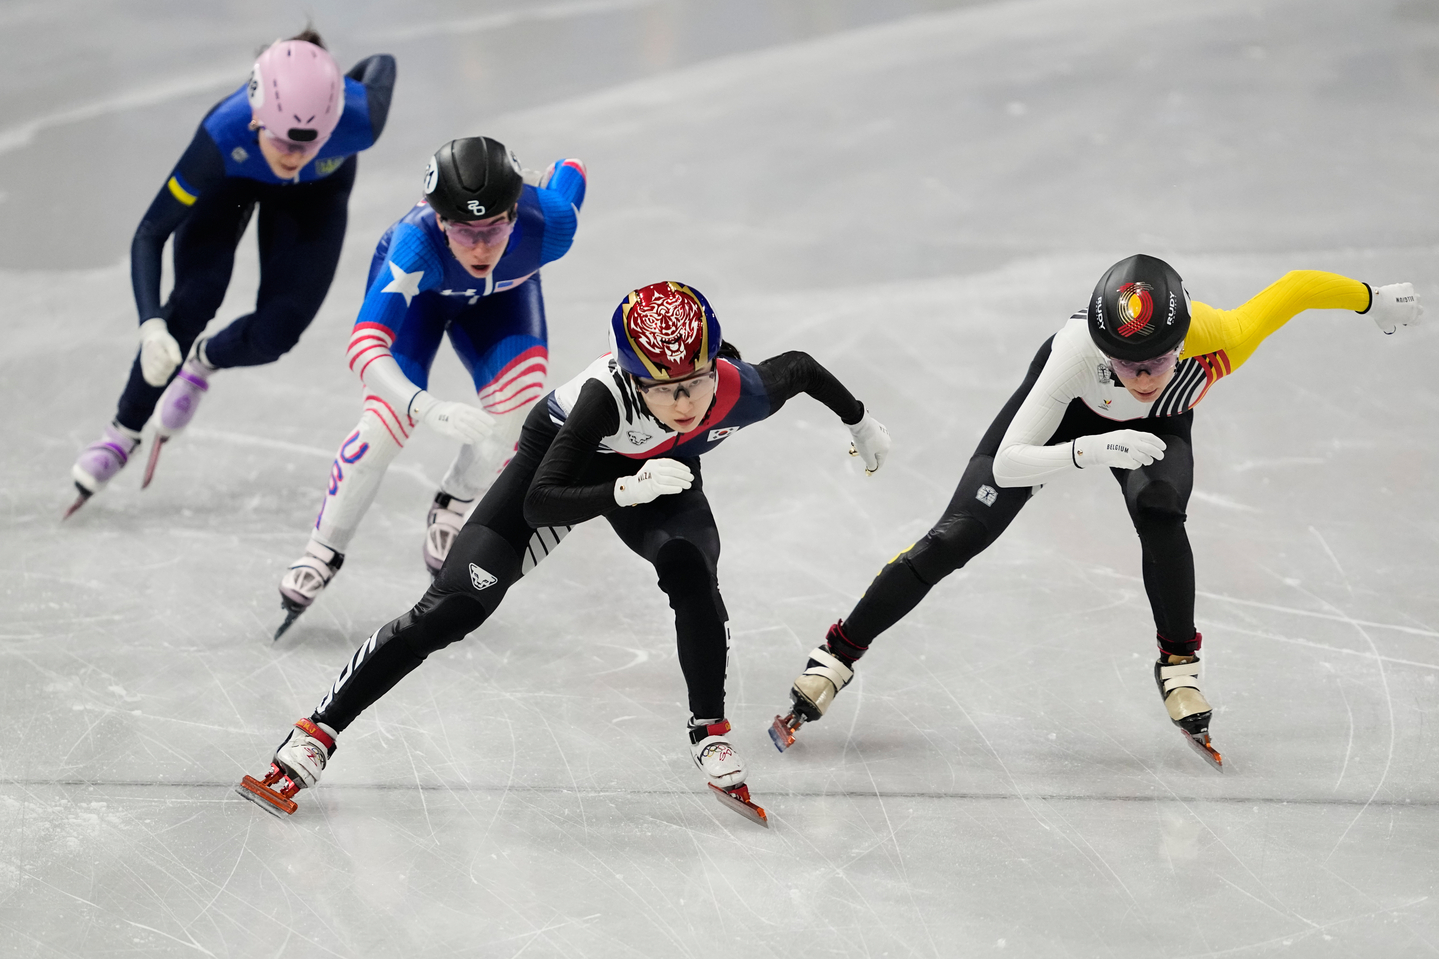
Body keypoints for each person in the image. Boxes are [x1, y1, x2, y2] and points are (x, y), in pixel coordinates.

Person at [238, 280, 892, 824]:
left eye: (693, 382)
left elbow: (802, 367)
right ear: (634, 379)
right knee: (452, 608)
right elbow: (539, 505)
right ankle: (317, 731)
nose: (684, 403)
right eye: (663, 390)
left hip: (655, 482)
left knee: (691, 573)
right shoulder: (599, 402)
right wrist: (625, 484)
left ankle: (709, 732)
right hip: (557, 478)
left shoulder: (737, 388)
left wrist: (859, 419)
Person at [772, 256, 1422, 769]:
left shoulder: (1219, 334)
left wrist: (1371, 298)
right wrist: (1086, 449)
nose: (1142, 376)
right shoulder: (1077, 350)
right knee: (957, 534)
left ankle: (1179, 667)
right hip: (1071, 419)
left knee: (1160, 510)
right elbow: (1007, 465)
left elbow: (1297, 288)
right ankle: (835, 653)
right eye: (1127, 363)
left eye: (1159, 361)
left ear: (1183, 337)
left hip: (1160, 429)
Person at [65, 29, 396, 517]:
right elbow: (150, 233)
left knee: (275, 334)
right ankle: (122, 433)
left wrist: (332, 83)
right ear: (257, 115)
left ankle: (203, 363)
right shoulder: (223, 133)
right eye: (283, 141)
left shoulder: (360, 118)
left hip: (317, 195)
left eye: (308, 144)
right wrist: (150, 325)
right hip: (232, 178)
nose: (293, 157)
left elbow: (381, 61)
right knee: (192, 303)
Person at [272, 136, 587, 639]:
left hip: (502, 304)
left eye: (495, 227)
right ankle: (323, 549)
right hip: (420, 301)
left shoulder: (551, 221)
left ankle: (454, 505)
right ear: (440, 220)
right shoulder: (414, 242)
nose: (481, 246)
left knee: (514, 418)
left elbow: (571, 168)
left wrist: (548, 177)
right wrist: (425, 406)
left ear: (514, 211)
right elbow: (364, 349)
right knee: (384, 425)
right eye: (464, 230)